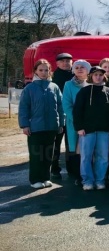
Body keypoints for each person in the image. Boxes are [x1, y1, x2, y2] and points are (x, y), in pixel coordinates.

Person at [19, 59, 65, 189]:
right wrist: (25, 125)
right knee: (36, 154)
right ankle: (35, 180)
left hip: (51, 127)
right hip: (35, 127)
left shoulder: (54, 87)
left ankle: (45, 177)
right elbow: (23, 108)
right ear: (35, 71)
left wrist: (61, 123)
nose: (44, 73)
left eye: (46, 70)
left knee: (48, 153)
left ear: (50, 71)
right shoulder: (30, 88)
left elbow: (60, 107)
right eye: (41, 70)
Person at [73, 66, 109, 191]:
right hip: (87, 130)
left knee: (102, 156)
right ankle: (87, 181)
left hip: (104, 130)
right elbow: (77, 111)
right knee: (86, 156)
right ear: (91, 76)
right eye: (95, 74)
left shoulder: (108, 91)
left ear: (104, 76)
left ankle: (100, 180)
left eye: (100, 75)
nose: (98, 77)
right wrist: (79, 127)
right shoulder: (84, 91)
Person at [62, 60, 90, 185]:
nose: (79, 69)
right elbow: (66, 105)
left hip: (90, 123)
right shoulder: (68, 84)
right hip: (74, 122)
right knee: (75, 150)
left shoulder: (92, 83)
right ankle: (77, 175)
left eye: (82, 67)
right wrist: (78, 120)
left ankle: (89, 173)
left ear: (88, 70)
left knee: (89, 149)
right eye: (76, 67)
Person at [49, 53, 72, 180]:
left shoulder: (75, 77)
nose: (65, 63)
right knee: (56, 144)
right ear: (57, 64)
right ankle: (54, 168)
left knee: (71, 144)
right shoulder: (53, 78)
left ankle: (71, 168)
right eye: (62, 61)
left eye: (68, 61)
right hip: (58, 115)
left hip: (71, 116)